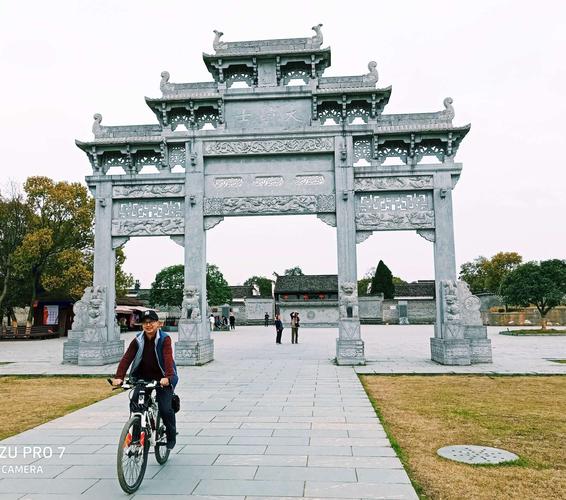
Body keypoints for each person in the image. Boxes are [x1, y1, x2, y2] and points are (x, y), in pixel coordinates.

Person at [112, 310, 178, 450]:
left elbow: (167, 358)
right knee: (135, 402)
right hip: (143, 377)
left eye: (151, 322)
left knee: (165, 409)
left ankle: (171, 435)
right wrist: (119, 377)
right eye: (145, 323)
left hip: (163, 377)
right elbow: (127, 358)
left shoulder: (164, 339)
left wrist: (168, 377)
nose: (148, 325)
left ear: (158, 324)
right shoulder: (138, 339)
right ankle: (136, 436)